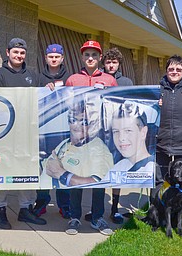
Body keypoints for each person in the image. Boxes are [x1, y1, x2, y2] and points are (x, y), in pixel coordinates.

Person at [0, 37, 46, 229]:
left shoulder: (33, 75)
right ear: (8, 53)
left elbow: (42, 98)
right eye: (15, 52)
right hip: (5, 134)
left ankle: (25, 210)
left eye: (22, 53)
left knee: (27, 171)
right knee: (2, 172)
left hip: (27, 133)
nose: (19, 55)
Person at [64, 40, 118, 236]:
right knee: (77, 179)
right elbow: (63, 104)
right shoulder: (73, 79)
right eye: (87, 54)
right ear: (82, 57)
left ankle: (97, 218)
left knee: (98, 179)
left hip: (99, 138)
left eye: (94, 55)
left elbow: (116, 105)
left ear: (100, 58)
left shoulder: (109, 80)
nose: (90, 58)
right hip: (77, 138)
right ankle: (74, 217)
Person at [43, 99, 114, 236]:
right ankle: (74, 218)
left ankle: (97, 218)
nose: (78, 126)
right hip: (67, 182)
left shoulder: (98, 148)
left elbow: (97, 181)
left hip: (84, 179)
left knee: (97, 189)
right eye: (73, 120)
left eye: (85, 122)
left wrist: (63, 174)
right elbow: (48, 164)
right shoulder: (65, 144)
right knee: (74, 187)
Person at [86, 48, 134, 224]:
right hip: (98, 132)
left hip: (119, 132)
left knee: (117, 172)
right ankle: (96, 209)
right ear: (103, 63)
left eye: (114, 62)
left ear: (119, 64)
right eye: (108, 62)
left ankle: (114, 209)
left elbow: (132, 105)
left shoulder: (126, 82)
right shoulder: (97, 78)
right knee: (97, 171)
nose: (111, 65)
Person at [34, 44, 71, 219]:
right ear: (46, 58)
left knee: (62, 168)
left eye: (57, 56)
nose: (54, 59)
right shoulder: (38, 78)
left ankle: (64, 206)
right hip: (43, 130)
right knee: (43, 168)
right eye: (51, 56)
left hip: (63, 131)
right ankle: (41, 203)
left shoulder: (70, 78)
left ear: (62, 58)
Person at [155, 55, 182, 200]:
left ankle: (181, 213)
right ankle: (157, 213)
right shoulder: (157, 90)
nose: (174, 72)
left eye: (178, 69)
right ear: (166, 71)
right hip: (161, 143)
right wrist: (155, 103)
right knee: (159, 180)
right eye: (171, 69)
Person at [103, 102, 155, 182]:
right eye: (116, 131)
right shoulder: (120, 166)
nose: (121, 138)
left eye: (128, 130)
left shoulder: (151, 168)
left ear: (143, 132)